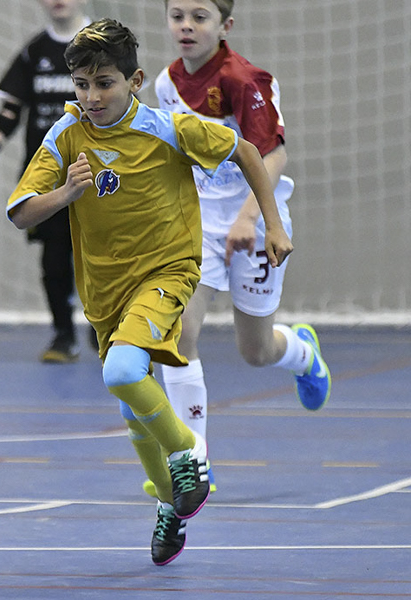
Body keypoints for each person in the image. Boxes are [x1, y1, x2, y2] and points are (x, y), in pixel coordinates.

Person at [5, 19, 292, 566]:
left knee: (119, 372)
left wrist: (272, 224)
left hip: (167, 274)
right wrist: (66, 193)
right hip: (104, 292)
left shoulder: (170, 128)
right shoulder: (65, 138)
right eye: (83, 84)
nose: (92, 96)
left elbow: (250, 153)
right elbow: (21, 212)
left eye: (105, 82)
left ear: (135, 80)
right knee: (134, 409)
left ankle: (189, 453)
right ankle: (169, 501)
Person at [143, 0, 330, 499]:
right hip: (196, 223)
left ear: (224, 26)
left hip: (254, 217)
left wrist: (253, 217)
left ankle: (303, 355)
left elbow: (272, 154)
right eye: (177, 15)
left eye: (199, 16)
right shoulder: (164, 84)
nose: (186, 25)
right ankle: (193, 460)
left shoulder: (244, 81)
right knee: (178, 334)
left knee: (255, 351)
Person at [0, 0, 93, 363]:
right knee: (55, 260)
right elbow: (12, 109)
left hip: (95, 172)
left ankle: (107, 330)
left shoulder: (101, 44)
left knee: (100, 257)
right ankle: (63, 335)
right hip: (49, 177)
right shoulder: (34, 51)